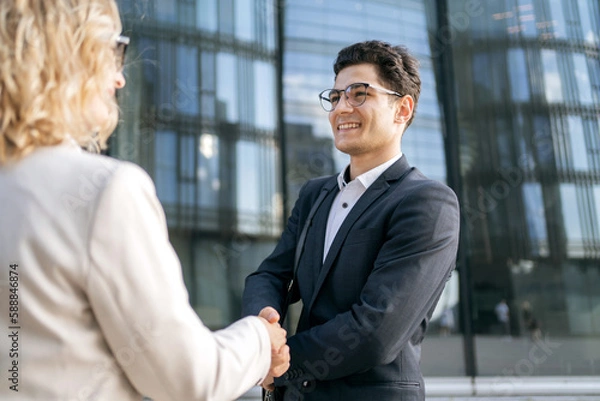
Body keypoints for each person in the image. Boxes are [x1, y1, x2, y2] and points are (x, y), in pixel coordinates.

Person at [0, 1, 288, 400]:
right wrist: (261, 338)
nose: (120, 78)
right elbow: (190, 380)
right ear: (68, 54)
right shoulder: (105, 190)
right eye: (115, 49)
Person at [242, 40, 460, 401]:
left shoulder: (426, 202)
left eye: (359, 94)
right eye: (336, 96)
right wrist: (262, 330)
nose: (342, 108)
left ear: (402, 109)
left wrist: (278, 360)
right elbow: (271, 275)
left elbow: (376, 331)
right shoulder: (315, 194)